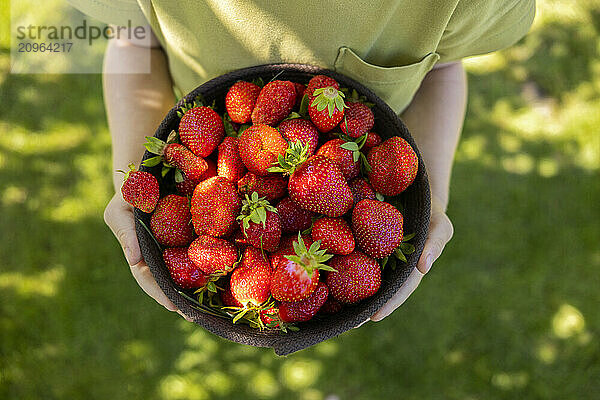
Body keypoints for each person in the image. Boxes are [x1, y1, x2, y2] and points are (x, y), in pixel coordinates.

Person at [69, 0, 535, 322]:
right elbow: (134, 42)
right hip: (212, 137)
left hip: (313, 155)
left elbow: (444, 66)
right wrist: (136, 170)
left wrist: (431, 194)